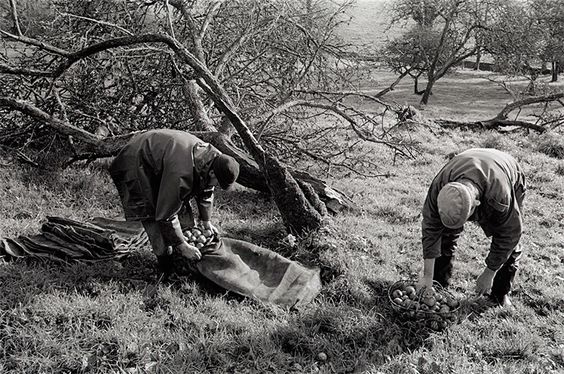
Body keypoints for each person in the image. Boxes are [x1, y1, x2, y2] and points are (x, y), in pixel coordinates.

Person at [109, 129, 240, 278]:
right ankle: (165, 270)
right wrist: (182, 245)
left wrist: (206, 221)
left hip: (160, 159)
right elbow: (166, 214)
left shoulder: (216, 159)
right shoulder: (181, 173)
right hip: (134, 161)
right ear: (212, 173)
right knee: (152, 216)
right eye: (218, 181)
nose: (217, 186)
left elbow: (206, 189)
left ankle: (179, 257)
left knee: (179, 213)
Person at [417, 148, 526, 307]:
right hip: (470, 163)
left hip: (507, 173)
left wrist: (489, 272)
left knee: (509, 242)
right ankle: (438, 282)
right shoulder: (440, 186)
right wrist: (427, 276)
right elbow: (431, 228)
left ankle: (500, 294)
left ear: (476, 205)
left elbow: (510, 235)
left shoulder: (500, 196)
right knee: (445, 235)